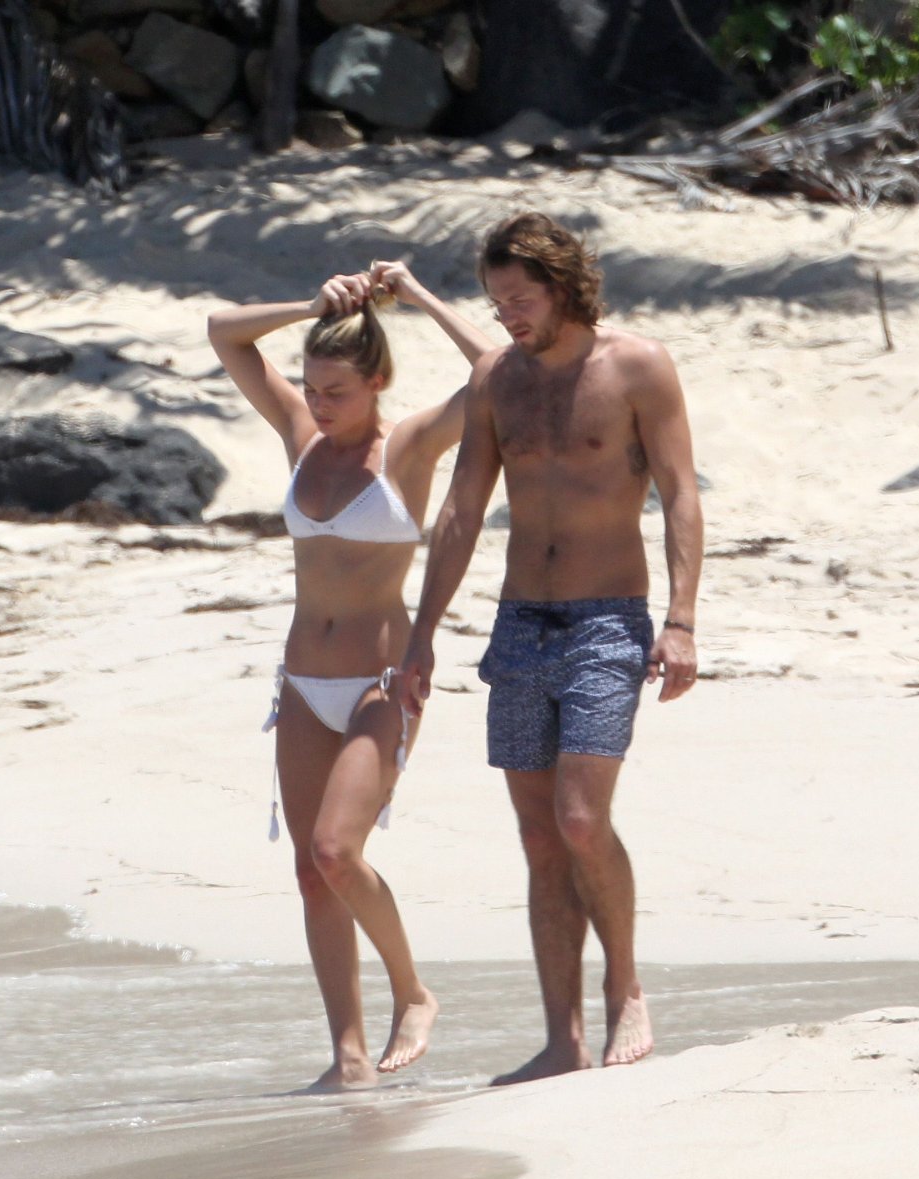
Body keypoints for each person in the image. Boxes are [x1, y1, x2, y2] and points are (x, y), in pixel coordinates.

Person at [398, 212, 703, 1086]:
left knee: (579, 819)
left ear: (564, 287)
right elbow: (462, 510)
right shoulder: (497, 378)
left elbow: (680, 493)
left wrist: (681, 621)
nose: (507, 318)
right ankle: (561, 1038)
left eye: (520, 300)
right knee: (539, 839)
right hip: (521, 622)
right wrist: (422, 635)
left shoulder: (639, 366)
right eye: (496, 303)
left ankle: (626, 985)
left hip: (610, 620)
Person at [207, 261, 496, 1091]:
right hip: (302, 683)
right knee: (310, 872)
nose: (320, 402)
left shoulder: (410, 446)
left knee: (338, 851)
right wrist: (309, 304)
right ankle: (348, 1058)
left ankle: (415, 993)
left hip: (380, 683)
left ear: (377, 382)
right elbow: (224, 332)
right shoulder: (301, 435)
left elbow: (494, 371)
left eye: (336, 390)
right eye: (311, 386)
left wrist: (421, 298)